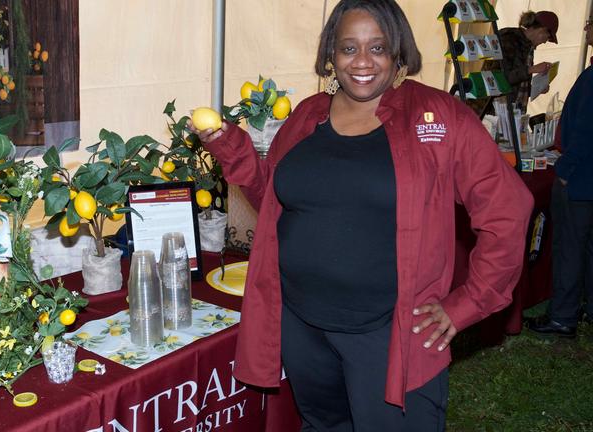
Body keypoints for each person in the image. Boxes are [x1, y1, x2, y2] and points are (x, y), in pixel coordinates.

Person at [191, 0, 533, 430]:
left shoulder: (439, 117)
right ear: (330, 56)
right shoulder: (306, 117)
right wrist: (233, 150)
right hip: (303, 327)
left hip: (387, 336)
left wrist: (468, 303)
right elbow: (278, 202)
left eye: (378, 47)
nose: (363, 61)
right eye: (348, 48)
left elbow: (508, 211)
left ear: (398, 53)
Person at [529, 16, 593, 338]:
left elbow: (586, 131)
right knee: (588, 248)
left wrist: (565, 170)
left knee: (569, 247)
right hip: (586, 178)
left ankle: (563, 317)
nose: (585, 29)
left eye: (591, 23)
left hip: (581, 179)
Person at [482, 10, 559, 112]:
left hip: (508, 111)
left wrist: (536, 89)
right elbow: (497, 79)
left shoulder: (527, 47)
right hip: (490, 110)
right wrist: (531, 70)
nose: (545, 42)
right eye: (548, 37)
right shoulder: (508, 39)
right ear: (542, 30)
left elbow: (516, 86)